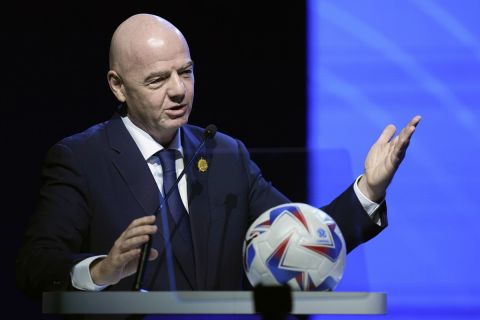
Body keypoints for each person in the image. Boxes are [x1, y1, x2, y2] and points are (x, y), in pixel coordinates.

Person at [15, 13, 421, 298]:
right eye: (158, 79)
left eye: (186, 72)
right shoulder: (80, 158)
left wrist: (368, 189)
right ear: (118, 86)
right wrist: (100, 271)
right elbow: (36, 267)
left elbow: (304, 243)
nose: (179, 90)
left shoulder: (225, 154)